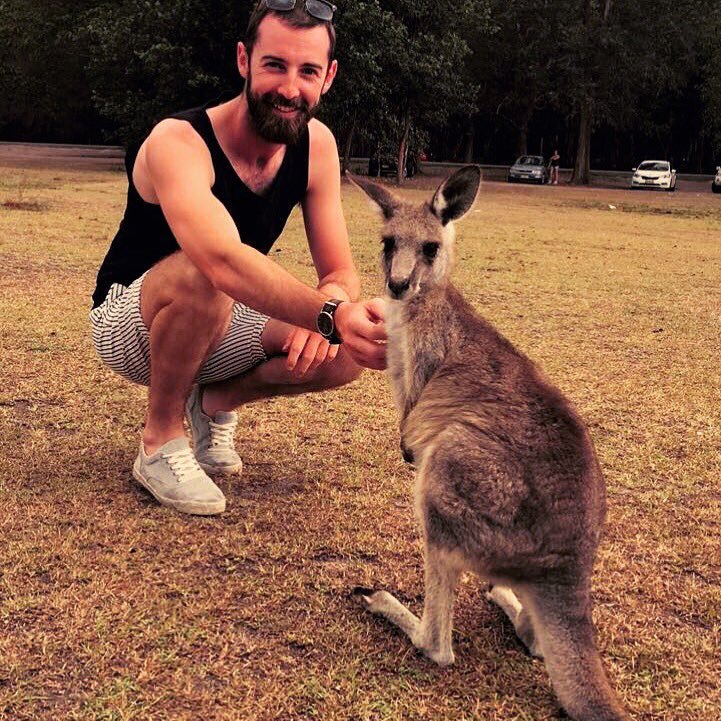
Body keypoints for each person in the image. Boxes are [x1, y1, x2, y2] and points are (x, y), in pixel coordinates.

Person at [89, 0, 387, 516]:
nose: (290, 88)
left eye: (308, 71)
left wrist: (334, 310)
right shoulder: (178, 140)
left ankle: (215, 402)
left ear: (329, 77)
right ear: (244, 60)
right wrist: (326, 312)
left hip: (226, 314)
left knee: (344, 354)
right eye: (275, 65)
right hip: (131, 320)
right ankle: (159, 440)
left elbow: (338, 272)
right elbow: (221, 260)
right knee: (205, 277)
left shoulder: (317, 145)